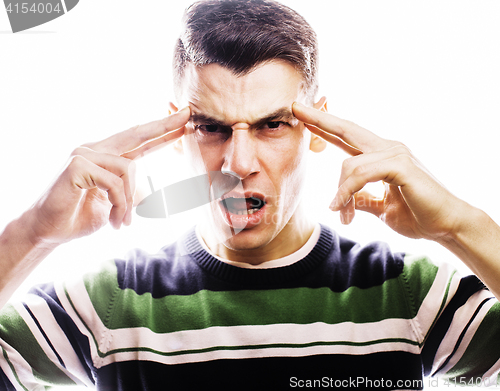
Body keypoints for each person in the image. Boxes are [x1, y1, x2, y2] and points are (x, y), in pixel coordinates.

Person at [1, 0, 500, 389]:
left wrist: (460, 226)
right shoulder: (108, 305)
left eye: (272, 125)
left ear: (318, 128)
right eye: (212, 127)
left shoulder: (412, 296)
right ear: (177, 134)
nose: (239, 163)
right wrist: (32, 234)